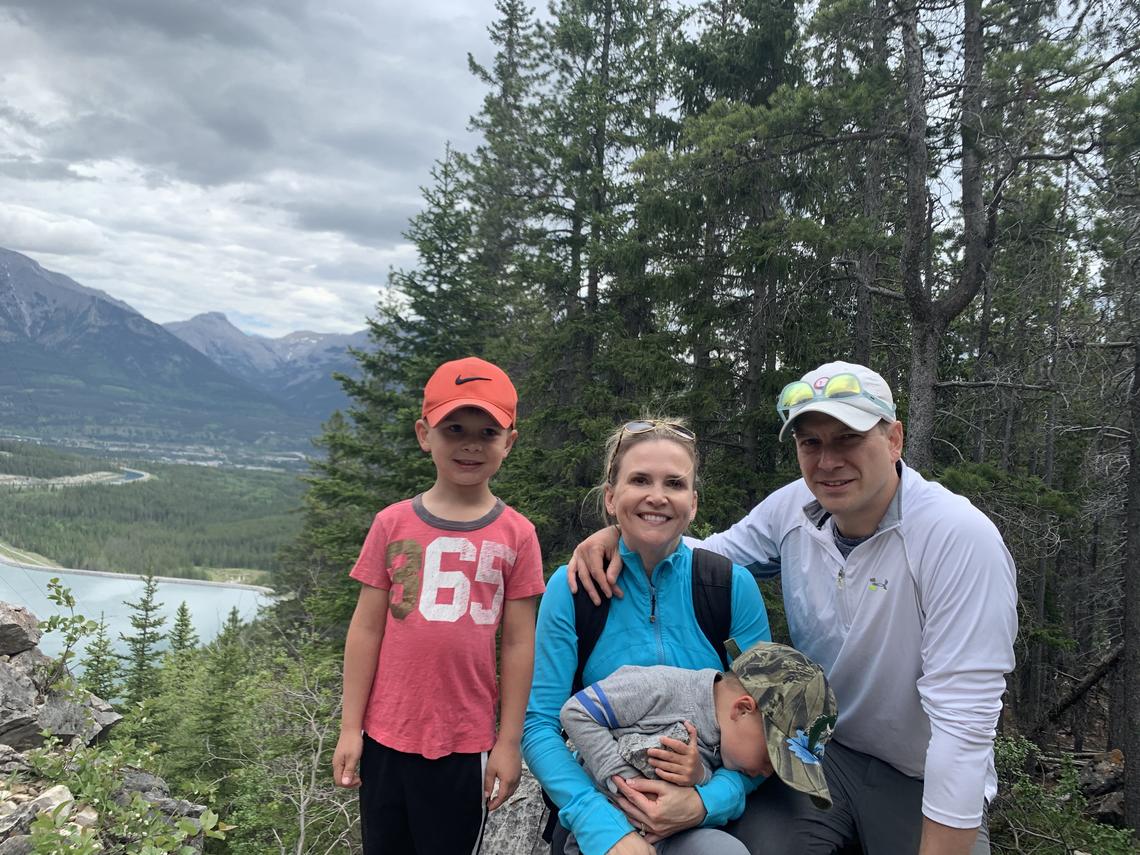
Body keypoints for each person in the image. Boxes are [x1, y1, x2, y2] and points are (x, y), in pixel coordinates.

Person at [569, 362, 1018, 855]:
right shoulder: (796, 507)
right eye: (811, 443)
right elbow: (700, 556)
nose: (827, 462)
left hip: (919, 775)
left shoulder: (957, 539)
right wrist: (623, 532)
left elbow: (964, 726)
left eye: (847, 438)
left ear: (894, 439)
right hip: (813, 755)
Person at [522, 418, 773, 855]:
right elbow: (539, 724)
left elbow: (765, 724)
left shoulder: (729, 588)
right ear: (610, 497)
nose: (657, 496)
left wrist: (703, 801)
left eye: (674, 483)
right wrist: (602, 827)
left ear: (692, 503)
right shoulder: (573, 589)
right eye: (640, 480)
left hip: (696, 813)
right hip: (600, 805)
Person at [332, 356, 546, 855]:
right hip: (385, 737)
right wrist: (350, 729)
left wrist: (508, 743)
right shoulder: (391, 524)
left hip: (465, 742)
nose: (470, 443)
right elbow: (366, 630)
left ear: (508, 442)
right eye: (454, 428)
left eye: (487, 432)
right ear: (424, 434)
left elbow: (517, 642)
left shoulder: (518, 535)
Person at [559, 641, 839, 855]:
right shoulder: (661, 688)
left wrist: (698, 777)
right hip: (605, 832)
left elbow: (703, 779)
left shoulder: (728, 739)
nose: (764, 773)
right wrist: (624, 782)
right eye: (771, 758)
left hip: (669, 834)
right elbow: (576, 712)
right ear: (742, 709)